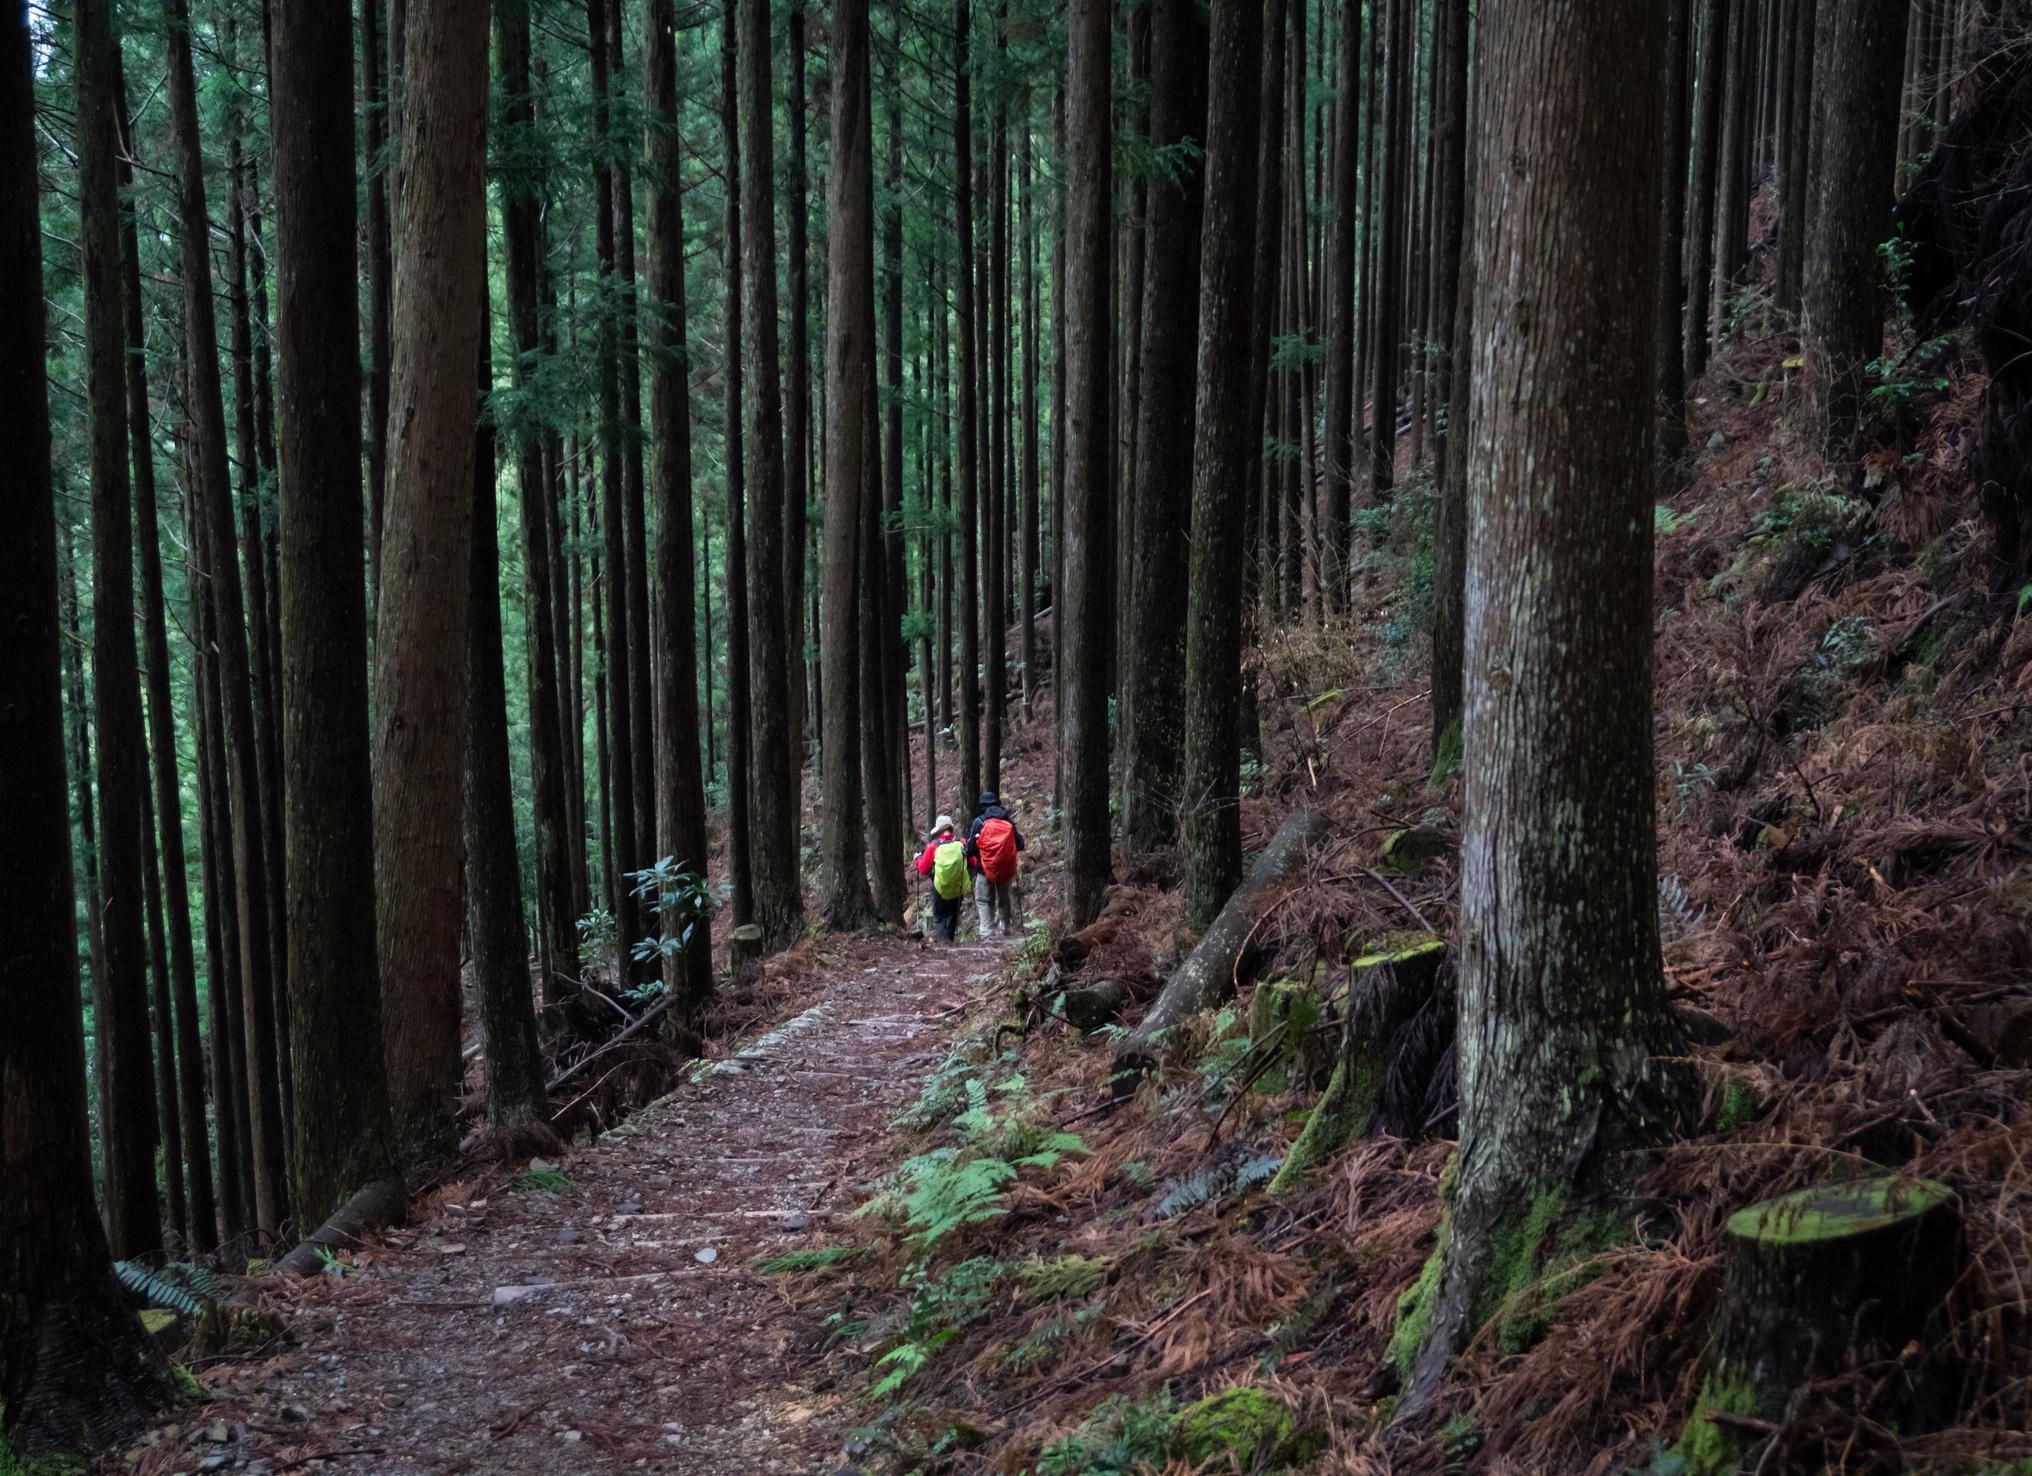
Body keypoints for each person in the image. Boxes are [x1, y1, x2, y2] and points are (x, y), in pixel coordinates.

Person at [964, 791, 1025, 937]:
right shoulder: (1007, 821)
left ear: (982, 806)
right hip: (1005, 869)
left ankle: (987, 933)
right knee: (1004, 898)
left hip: (984, 869)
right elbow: (1020, 844)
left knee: (984, 899)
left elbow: (971, 848)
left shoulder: (979, 822)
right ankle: (1005, 928)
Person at [913, 814, 968, 942]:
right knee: (953, 916)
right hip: (958, 888)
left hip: (940, 888)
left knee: (940, 916)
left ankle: (943, 944)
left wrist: (917, 859)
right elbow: (972, 861)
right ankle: (950, 940)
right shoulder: (962, 842)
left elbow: (923, 869)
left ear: (939, 831)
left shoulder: (934, 846)